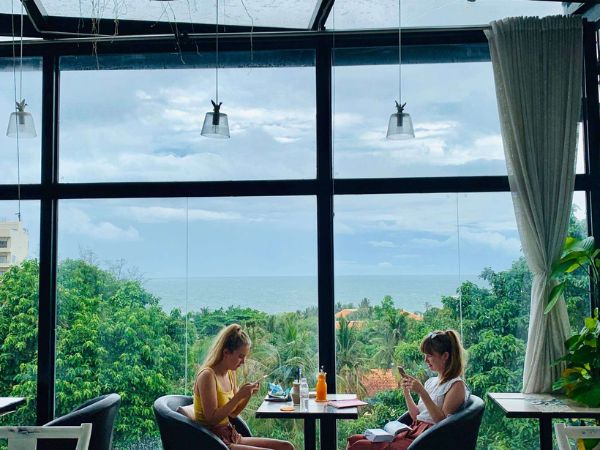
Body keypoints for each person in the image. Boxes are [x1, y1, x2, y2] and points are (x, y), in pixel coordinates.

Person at [347, 329, 469, 450]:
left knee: (359, 446)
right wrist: (406, 392)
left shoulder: (456, 386)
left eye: (430, 355)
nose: (425, 360)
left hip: (427, 440)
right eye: (425, 355)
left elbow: (442, 423)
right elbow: (416, 416)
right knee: (353, 439)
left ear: (445, 356)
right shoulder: (431, 382)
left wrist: (422, 392)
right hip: (414, 431)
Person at [194, 323, 295, 450]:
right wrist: (238, 396)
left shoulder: (230, 373)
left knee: (287, 447)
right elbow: (212, 419)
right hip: (214, 441)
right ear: (226, 352)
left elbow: (233, 414)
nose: (243, 362)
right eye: (240, 356)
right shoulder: (207, 376)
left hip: (230, 435)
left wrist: (247, 395)